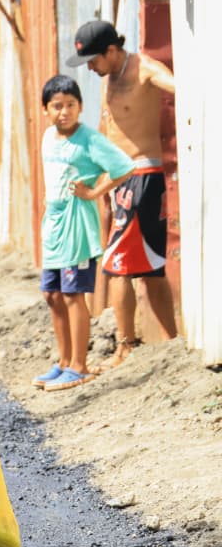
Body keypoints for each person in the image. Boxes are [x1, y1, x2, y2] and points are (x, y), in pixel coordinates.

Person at [67, 20, 178, 367]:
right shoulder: (110, 79)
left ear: (112, 51)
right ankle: (173, 344)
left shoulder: (144, 68)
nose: (89, 68)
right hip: (121, 180)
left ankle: (126, 345)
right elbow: (107, 131)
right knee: (150, 269)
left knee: (118, 267)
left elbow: (180, 86)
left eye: (94, 60)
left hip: (141, 175)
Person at [33, 75, 135, 391]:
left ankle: (79, 365)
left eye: (71, 105)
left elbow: (124, 167)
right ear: (46, 110)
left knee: (72, 294)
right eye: (57, 106)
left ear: (80, 107)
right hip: (54, 226)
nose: (64, 112)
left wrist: (93, 193)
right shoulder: (49, 137)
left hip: (78, 227)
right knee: (51, 294)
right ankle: (63, 362)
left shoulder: (89, 139)